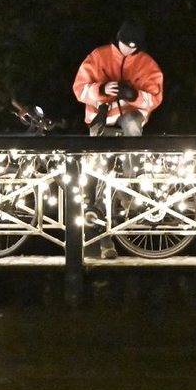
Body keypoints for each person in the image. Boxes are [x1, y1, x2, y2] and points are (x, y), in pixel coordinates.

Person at [72, 20, 164, 258]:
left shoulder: (146, 64)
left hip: (129, 122)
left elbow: (154, 97)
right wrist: (101, 90)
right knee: (101, 180)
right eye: (124, 45)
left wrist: (133, 95)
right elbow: (79, 88)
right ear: (117, 39)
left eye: (133, 47)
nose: (128, 50)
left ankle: (131, 185)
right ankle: (103, 241)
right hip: (101, 123)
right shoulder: (98, 56)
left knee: (132, 127)